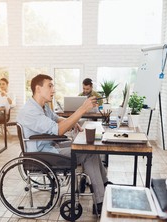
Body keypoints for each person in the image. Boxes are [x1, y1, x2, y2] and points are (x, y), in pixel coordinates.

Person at [17, 74, 111, 214]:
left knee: (89, 148)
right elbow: (58, 130)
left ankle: (104, 184)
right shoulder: (30, 111)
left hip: (49, 146)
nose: (53, 90)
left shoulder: (42, 106)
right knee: (88, 152)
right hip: (41, 155)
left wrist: (73, 124)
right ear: (38, 89)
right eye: (50, 86)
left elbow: (56, 118)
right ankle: (100, 199)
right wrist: (82, 109)